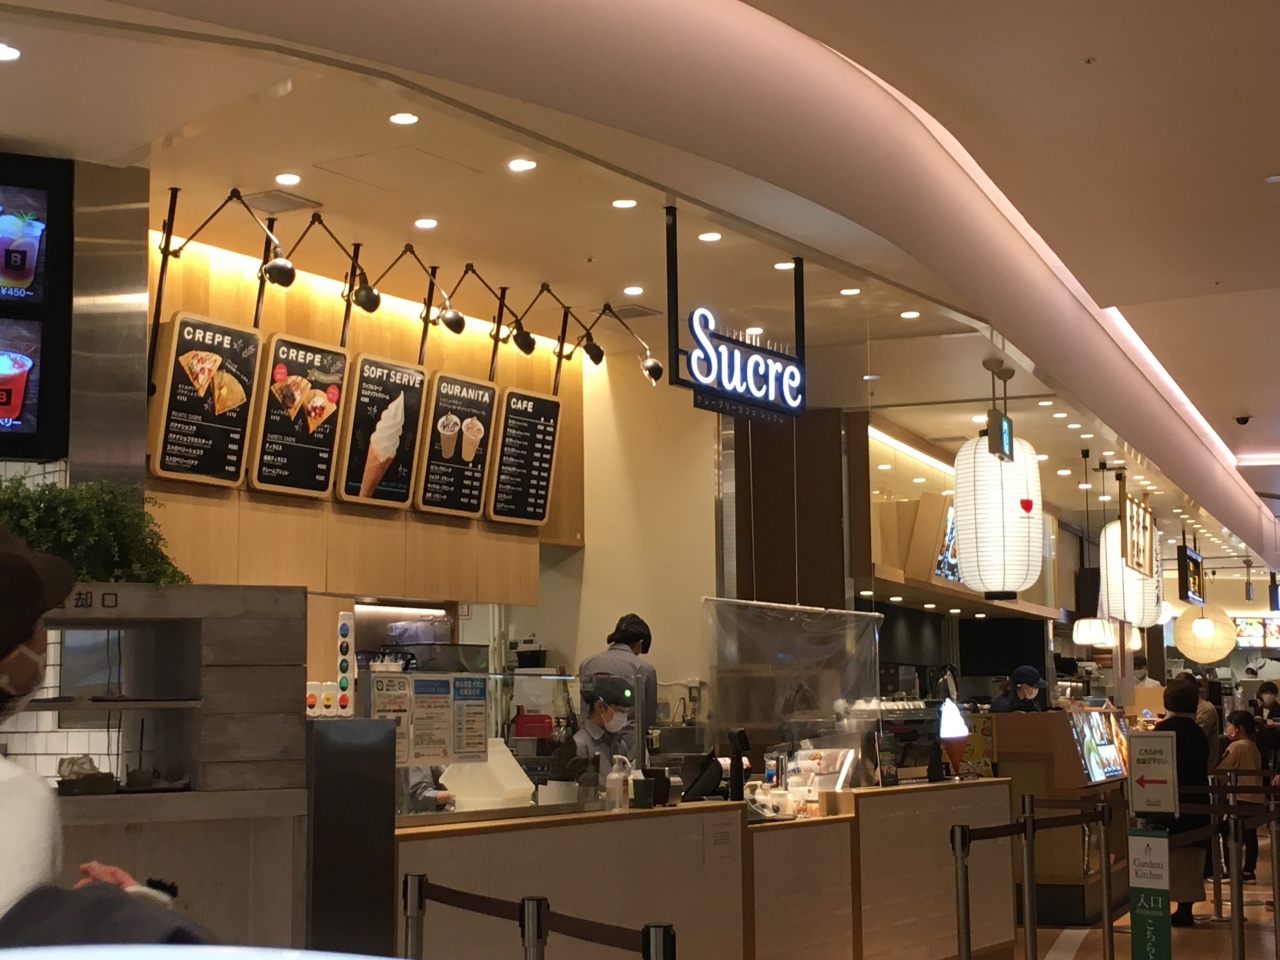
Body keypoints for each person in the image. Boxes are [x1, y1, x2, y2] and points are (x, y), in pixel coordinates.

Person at [1150, 679, 1211, 926]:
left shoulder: (1163, 730)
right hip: (1196, 804)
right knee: (1190, 860)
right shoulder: (1197, 732)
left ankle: (1161, 909)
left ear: (1167, 702)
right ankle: (1185, 908)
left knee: (1168, 857)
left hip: (1165, 803)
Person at [578, 614, 658, 752]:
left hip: (591, 745)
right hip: (630, 747)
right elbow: (648, 716)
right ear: (640, 643)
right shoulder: (643, 668)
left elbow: (585, 709)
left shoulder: (586, 664)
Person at [1217, 710, 1263, 881]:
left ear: (1240, 728)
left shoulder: (1237, 746)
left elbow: (1222, 769)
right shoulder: (1252, 745)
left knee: (1230, 832)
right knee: (1250, 835)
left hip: (1239, 796)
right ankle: (1249, 870)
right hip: (1255, 796)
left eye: (1231, 724)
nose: (1228, 727)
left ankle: (1232, 870)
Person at [570, 676, 634, 791]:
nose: (623, 717)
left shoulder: (619, 744)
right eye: (620, 711)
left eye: (625, 713)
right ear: (600, 706)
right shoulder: (580, 744)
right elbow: (578, 793)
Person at [1255, 681, 1280, 766]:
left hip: (1275, 744)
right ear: (1261, 695)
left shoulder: (1278, 709)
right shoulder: (1258, 710)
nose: (1268, 696)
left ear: (1275, 695)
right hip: (1261, 744)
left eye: (1271, 693)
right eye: (1266, 693)